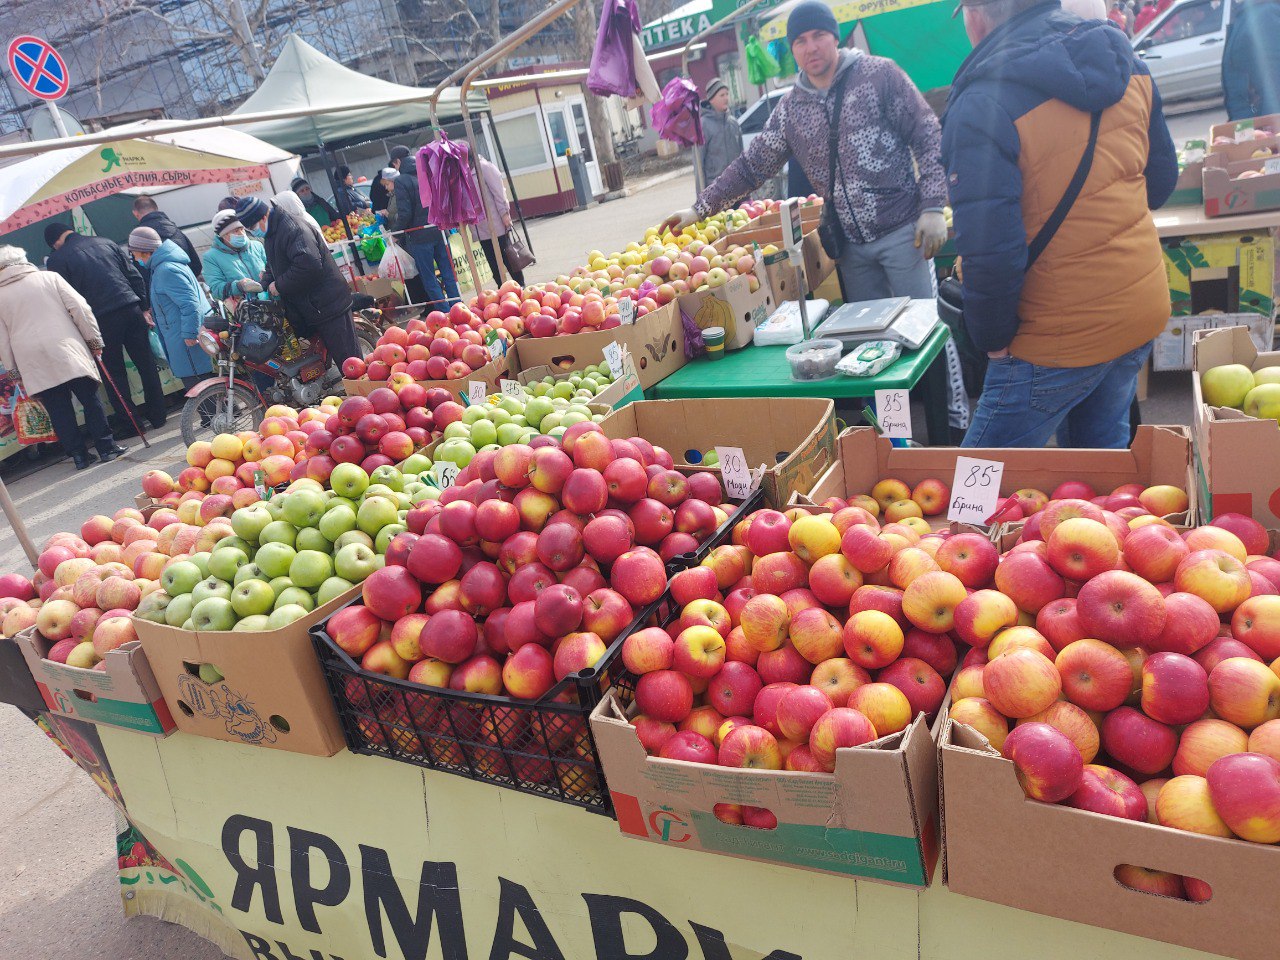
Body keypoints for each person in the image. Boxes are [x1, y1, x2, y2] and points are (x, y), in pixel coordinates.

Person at [943, 0, 1177, 448]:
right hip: (1138, 306)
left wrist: (992, 340)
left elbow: (991, 249)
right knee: (1099, 467)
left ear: (976, 15)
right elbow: (1160, 181)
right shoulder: (1129, 64)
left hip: (1053, 336)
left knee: (976, 488)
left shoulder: (983, 103)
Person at [664, 1, 949, 303]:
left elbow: (927, 133)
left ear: (835, 37)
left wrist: (932, 207)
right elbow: (751, 166)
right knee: (874, 339)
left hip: (903, 233)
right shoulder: (791, 108)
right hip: (849, 246)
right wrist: (700, 208)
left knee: (925, 328)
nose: (810, 47)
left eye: (818, 35)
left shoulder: (879, 76)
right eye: (800, 40)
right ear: (792, 49)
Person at [0, 246, 128, 469]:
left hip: (30, 358)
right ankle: (106, 447)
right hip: (66, 347)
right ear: (23, 260)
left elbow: (2, 339)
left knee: (58, 408)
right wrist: (94, 340)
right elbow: (80, 309)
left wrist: (14, 372)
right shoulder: (50, 278)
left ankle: (79, 456)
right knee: (90, 398)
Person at [44, 222, 167, 431]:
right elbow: (134, 276)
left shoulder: (57, 259)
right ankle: (159, 415)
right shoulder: (106, 242)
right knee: (146, 364)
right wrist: (144, 307)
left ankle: (132, 424)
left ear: (55, 242)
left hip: (100, 319)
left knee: (114, 374)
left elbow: (66, 300)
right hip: (131, 308)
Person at [233, 196, 361, 365]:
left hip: (328, 304)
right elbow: (273, 265)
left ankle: (365, 389)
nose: (252, 232)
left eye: (252, 227)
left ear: (264, 216)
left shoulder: (292, 229)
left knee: (350, 362)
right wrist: (262, 287)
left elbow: (309, 265)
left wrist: (279, 286)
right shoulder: (272, 233)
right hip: (313, 307)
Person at [127, 227, 211, 390]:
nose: (135, 258)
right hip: (180, 337)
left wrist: (189, 333)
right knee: (205, 388)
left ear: (144, 251)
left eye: (134, 253)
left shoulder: (166, 270)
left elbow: (189, 303)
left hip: (184, 339)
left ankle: (222, 416)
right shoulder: (166, 266)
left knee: (201, 391)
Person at [392, 149, 461, 308]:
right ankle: (458, 308)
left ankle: (445, 313)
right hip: (439, 230)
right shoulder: (428, 173)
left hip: (419, 236)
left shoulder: (401, 181)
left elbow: (405, 213)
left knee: (429, 277)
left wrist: (396, 233)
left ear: (397, 162)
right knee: (448, 273)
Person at [473, 154, 527, 287]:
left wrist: (505, 214)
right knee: (492, 260)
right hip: (480, 227)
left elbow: (499, 192)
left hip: (496, 223)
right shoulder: (464, 172)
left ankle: (519, 285)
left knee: (508, 256)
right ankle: (501, 287)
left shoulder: (484, 168)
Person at [1223, 0, 1280, 120]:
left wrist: (1270, 128)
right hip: (1251, 121)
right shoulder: (1250, 12)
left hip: (1263, 124)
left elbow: (1275, 80)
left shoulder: (1266, 14)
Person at [202, 210, 268, 300]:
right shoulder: (211, 257)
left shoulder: (257, 245)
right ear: (223, 235)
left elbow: (271, 267)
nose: (241, 234)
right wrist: (239, 286)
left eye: (242, 229)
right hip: (246, 308)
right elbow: (216, 289)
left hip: (271, 300)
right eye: (236, 231)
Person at [131, 196, 201, 277]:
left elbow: (141, 274)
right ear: (156, 208)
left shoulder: (139, 238)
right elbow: (196, 265)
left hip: (159, 287)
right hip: (187, 282)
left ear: (135, 213)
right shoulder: (176, 230)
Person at [700, 78, 744, 186]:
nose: (726, 98)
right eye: (721, 95)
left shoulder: (733, 123)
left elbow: (742, 157)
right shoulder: (703, 125)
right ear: (711, 99)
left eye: (727, 94)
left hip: (737, 185)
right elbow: (699, 165)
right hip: (715, 189)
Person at [370, 145, 410, 217]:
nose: (386, 188)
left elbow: (403, 214)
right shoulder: (395, 191)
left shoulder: (400, 187)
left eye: (387, 185)